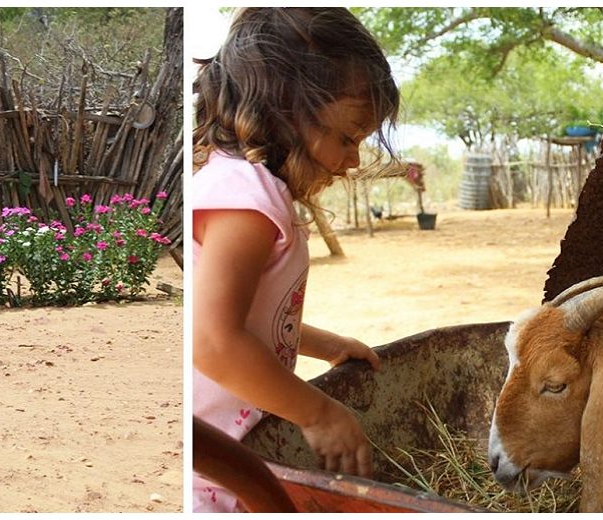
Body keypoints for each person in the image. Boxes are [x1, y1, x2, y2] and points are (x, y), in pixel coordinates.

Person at [191, 7, 400, 512]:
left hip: (232, 454)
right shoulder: (247, 198)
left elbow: (244, 321)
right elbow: (211, 343)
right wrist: (319, 414)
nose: (352, 159)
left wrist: (325, 342)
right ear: (286, 110)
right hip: (213, 469)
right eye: (347, 136)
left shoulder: (252, 191)